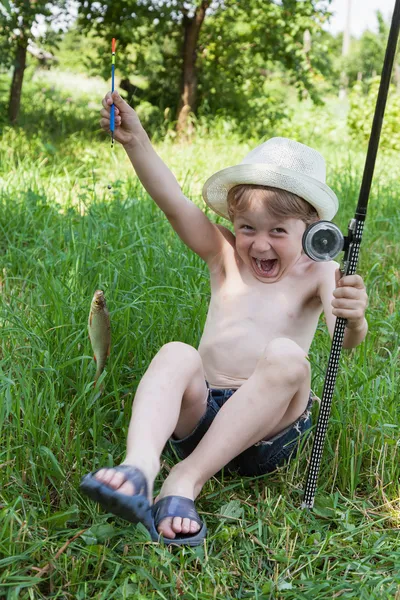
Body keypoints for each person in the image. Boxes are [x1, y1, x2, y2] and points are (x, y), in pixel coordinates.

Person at [80, 91, 369, 546]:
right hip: (201, 417)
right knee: (177, 353)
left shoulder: (323, 272)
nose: (258, 244)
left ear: (312, 228)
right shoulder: (224, 254)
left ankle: (185, 481)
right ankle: (139, 468)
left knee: (288, 357)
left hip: (267, 433)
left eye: (278, 231)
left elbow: (344, 341)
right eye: (248, 228)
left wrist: (353, 317)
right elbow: (173, 201)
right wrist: (136, 142)